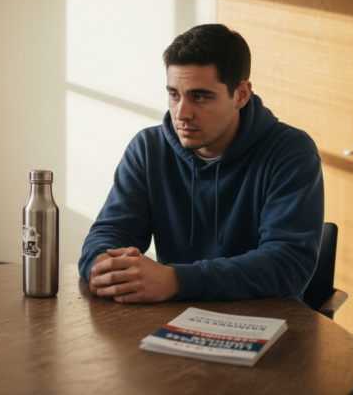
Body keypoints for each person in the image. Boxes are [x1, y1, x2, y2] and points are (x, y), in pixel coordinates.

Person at [78, 24, 324, 304]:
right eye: (174, 94)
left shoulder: (291, 152)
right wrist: (102, 265)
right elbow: (110, 232)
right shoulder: (148, 149)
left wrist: (175, 280)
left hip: (263, 317)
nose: (181, 113)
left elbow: (288, 264)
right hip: (173, 314)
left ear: (241, 94)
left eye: (200, 96)